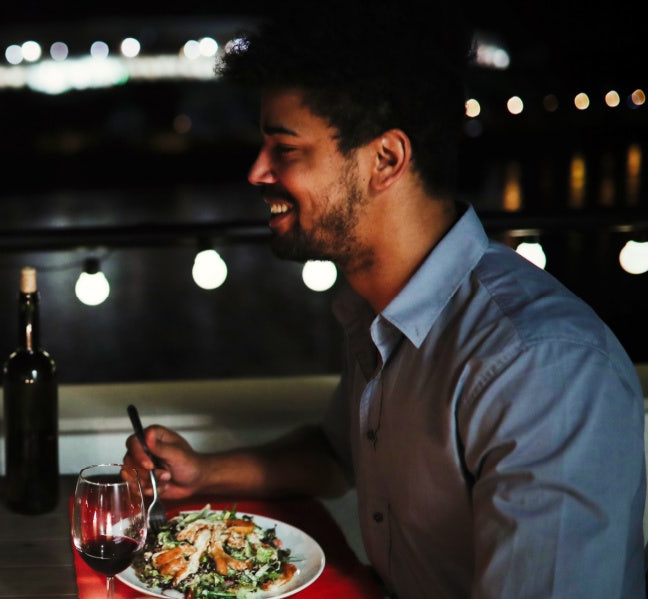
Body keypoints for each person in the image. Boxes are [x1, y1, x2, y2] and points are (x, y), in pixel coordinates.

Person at [123, 2, 646, 598]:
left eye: (285, 148)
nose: (257, 171)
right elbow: (335, 453)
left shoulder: (542, 370)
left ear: (386, 160)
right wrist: (202, 472)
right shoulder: (380, 307)